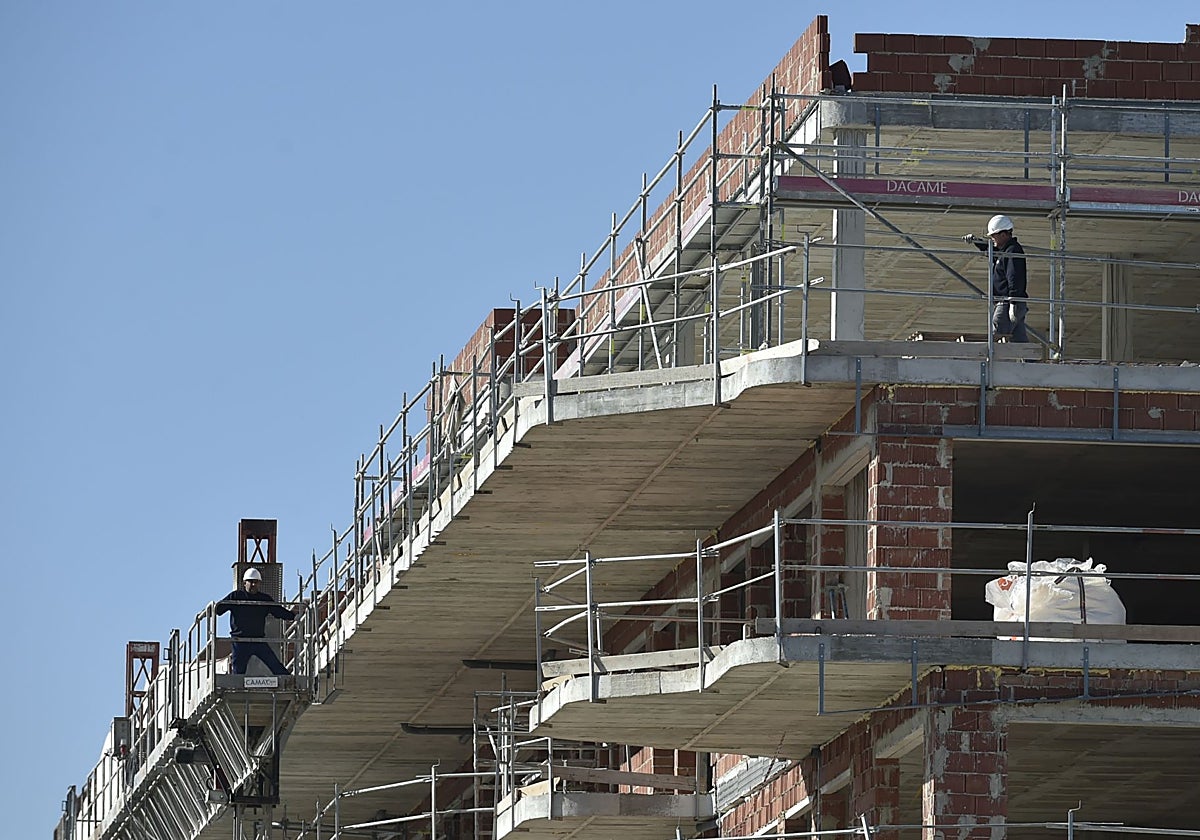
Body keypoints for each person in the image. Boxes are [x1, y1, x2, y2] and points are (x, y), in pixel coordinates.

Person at [216, 567, 296, 676]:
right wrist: (210, 610)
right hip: (240, 641)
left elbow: (278, 611)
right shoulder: (236, 596)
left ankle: (288, 681)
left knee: (275, 665)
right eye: (251, 582)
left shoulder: (264, 599)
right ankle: (238, 690)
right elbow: (219, 609)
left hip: (258, 640)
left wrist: (293, 616)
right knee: (238, 673)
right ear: (244, 583)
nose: (253, 585)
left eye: (256, 582)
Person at [962, 214, 1029, 342]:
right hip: (1012, 302)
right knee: (1019, 340)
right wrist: (976, 241)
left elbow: (1014, 277)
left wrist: (1013, 302)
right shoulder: (1005, 251)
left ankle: (993, 361)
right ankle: (1029, 361)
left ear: (1003, 235)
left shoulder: (1012, 251)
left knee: (997, 335)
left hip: (1008, 302)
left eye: (993, 236)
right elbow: (992, 251)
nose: (992, 239)